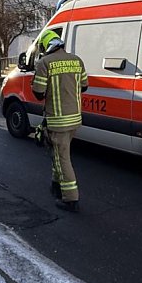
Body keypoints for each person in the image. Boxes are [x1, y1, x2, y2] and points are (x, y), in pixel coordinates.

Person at [31, 29, 89, 212]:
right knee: (58, 154)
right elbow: (84, 86)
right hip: (75, 118)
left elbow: (38, 93)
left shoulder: (44, 62)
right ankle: (56, 185)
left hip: (58, 120)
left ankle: (70, 199)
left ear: (45, 46)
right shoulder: (76, 60)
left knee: (63, 158)